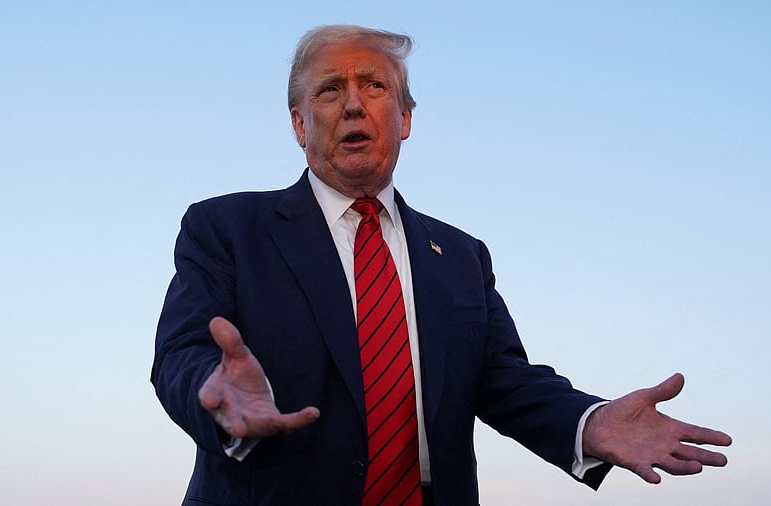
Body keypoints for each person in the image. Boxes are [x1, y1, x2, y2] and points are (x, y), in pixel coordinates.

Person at [151, 24, 731, 506]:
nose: (354, 102)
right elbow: (181, 353)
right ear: (300, 124)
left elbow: (502, 380)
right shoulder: (226, 229)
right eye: (330, 90)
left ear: (404, 118)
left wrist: (589, 423)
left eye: (374, 85)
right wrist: (219, 395)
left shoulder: (460, 257)